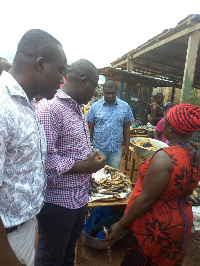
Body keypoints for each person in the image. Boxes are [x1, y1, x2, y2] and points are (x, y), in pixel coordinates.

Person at [0, 29, 67, 266]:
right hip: (7, 240)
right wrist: (7, 257)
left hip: (23, 227)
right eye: (60, 70)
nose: (62, 80)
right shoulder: (3, 107)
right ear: (40, 64)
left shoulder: (27, 102)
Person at [107, 103, 200, 265]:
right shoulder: (195, 154)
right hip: (182, 222)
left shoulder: (165, 158)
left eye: (165, 122)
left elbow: (146, 200)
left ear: (170, 129)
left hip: (157, 224)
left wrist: (120, 224)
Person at [35, 59, 106, 266]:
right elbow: (46, 161)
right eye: (95, 87)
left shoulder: (76, 108)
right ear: (84, 81)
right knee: (50, 257)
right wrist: (87, 166)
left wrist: (90, 158)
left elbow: (70, 150)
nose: (95, 93)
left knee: (67, 253)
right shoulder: (50, 109)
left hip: (79, 199)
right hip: (58, 203)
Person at [86, 80, 133, 169]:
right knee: (98, 176)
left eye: (113, 93)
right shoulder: (95, 107)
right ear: (103, 93)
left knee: (113, 176)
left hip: (115, 150)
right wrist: (88, 146)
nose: (110, 96)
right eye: (107, 93)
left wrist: (126, 147)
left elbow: (127, 128)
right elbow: (90, 128)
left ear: (116, 92)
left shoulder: (125, 106)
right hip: (99, 149)